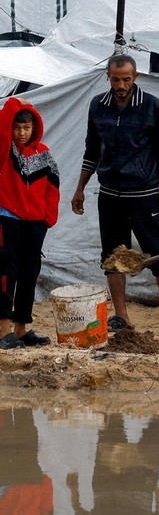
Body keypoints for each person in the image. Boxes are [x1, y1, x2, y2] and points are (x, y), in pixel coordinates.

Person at [71, 53, 159, 338]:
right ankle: (120, 316)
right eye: (115, 79)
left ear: (136, 77)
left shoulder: (151, 106)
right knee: (112, 256)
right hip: (109, 193)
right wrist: (80, 188)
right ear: (107, 77)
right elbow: (92, 151)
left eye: (126, 79)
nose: (121, 85)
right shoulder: (98, 106)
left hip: (145, 193)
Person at [0, 96, 59, 350]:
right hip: (7, 219)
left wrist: (47, 219)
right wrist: (17, 105)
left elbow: (53, 187)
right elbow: (5, 124)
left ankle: (21, 329)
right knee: (5, 273)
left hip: (35, 223)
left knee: (29, 274)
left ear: (35, 128)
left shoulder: (44, 154)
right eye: (17, 127)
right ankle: (3, 330)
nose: (22, 133)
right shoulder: (4, 149)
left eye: (26, 127)